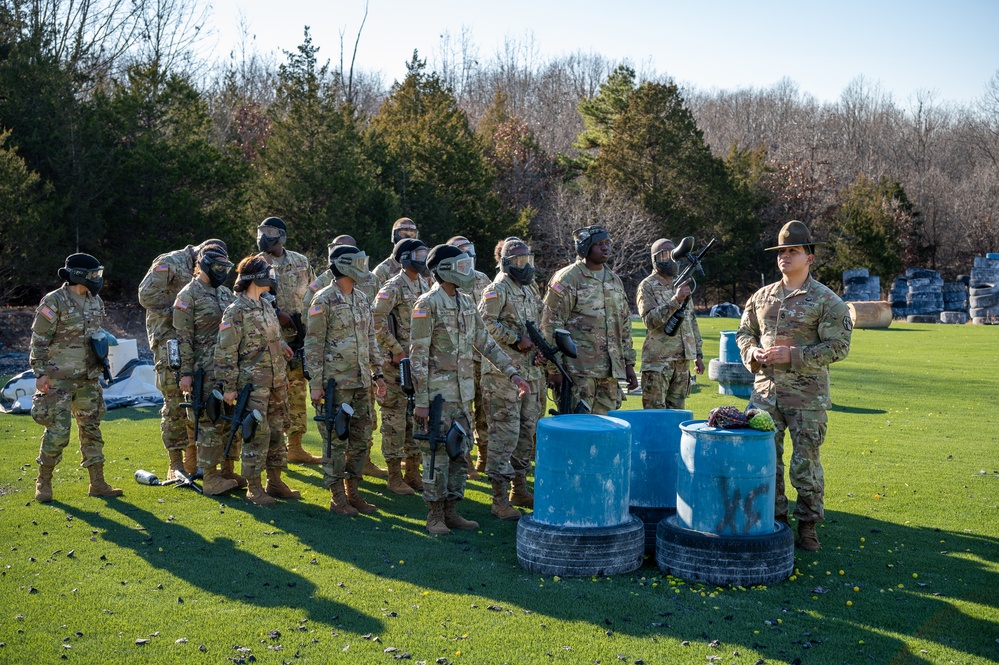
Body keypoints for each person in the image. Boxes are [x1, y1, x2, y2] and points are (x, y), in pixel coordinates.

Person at [736, 221, 852, 552]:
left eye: (793, 251)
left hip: (807, 397)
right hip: (765, 394)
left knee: (805, 464)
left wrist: (795, 355)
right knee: (763, 460)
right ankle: (776, 520)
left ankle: (808, 526)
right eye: (781, 252)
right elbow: (744, 333)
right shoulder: (762, 297)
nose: (785, 257)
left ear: (810, 257)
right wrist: (752, 353)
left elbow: (839, 346)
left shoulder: (826, 301)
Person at [410, 245, 530, 535]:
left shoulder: (466, 302)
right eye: (460, 266)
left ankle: (452, 511)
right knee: (436, 455)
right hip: (438, 397)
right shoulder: (427, 304)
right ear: (444, 270)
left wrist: (513, 374)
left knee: (459, 454)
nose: (467, 271)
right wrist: (422, 401)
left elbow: (486, 344)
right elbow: (417, 356)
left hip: (463, 395)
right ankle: (434, 515)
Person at [31, 253, 123, 501]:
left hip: (88, 378)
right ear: (79, 275)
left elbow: (96, 334)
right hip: (58, 379)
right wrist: (40, 373)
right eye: (93, 274)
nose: (97, 279)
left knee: (92, 430)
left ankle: (98, 483)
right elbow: (39, 340)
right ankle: (44, 481)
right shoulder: (54, 301)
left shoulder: (95, 301)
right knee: (58, 433)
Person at [305, 246, 388, 516]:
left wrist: (378, 374)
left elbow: (370, 339)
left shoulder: (363, 298)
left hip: (362, 381)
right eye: (359, 263)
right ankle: (337, 496)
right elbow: (313, 345)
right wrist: (315, 384)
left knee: (362, 438)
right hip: (335, 384)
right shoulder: (323, 299)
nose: (364, 267)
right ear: (345, 265)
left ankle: (354, 492)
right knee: (334, 441)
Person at [138, 238, 227, 480]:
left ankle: (193, 461)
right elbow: (146, 295)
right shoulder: (170, 262)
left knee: (196, 398)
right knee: (174, 400)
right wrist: (178, 310)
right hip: (169, 341)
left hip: (196, 343)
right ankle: (175, 463)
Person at [215, 256, 298, 506]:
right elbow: (225, 351)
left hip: (275, 381)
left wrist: (282, 346)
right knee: (256, 435)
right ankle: (254, 487)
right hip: (253, 384)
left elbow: (270, 336)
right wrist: (228, 388)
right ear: (254, 277)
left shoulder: (265, 305)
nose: (271, 276)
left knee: (276, 431)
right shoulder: (236, 310)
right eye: (266, 272)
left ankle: (275, 481)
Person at [478, 238, 545, 521]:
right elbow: (484, 323)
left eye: (526, 260)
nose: (523, 266)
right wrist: (517, 340)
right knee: (504, 437)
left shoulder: (530, 289)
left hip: (530, 374)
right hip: (502, 377)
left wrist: (539, 350)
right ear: (505, 263)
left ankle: (519, 488)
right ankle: (499, 499)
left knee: (526, 435)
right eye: (517, 261)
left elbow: (538, 325)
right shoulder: (496, 290)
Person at [541, 225, 637, 414]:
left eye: (607, 243)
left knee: (605, 430)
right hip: (577, 373)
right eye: (599, 244)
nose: (605, 248)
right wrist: (554, 369)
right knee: (578, 430)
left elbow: (624, 325)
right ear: (585, 247)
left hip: (609, 374)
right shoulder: (568, 279)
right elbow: (550, 324)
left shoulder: (614, 280)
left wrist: (628, 364)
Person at [172, 246, 240, 495]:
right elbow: (182, 338)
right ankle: (210, 478)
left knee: (228, 421)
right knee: (208, 423)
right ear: (203, 264)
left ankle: (227, 471)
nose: (222, 272)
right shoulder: (187, 295)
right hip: (202, 371)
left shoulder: (224, 292)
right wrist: (186, 373)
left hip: (226, 369)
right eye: (218, 267)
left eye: (225, 268)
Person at [255, 216, 321, 465]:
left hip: (298, 338)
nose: (264, 236)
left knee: (296, 392)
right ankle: (272, 449)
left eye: (270, 231)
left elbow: (312, 293)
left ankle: (295, 446)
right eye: (261, 231)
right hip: (267, 340)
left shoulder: (300, 261)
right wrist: (276, 314)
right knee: (271, 396)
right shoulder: (256, 264)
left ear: (282, 235)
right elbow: (248, 299)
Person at [371, 238, 431, 495]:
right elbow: (376, 320)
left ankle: (413, 472)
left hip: (417, 364)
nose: (423, 258)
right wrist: (396, 350)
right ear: (406, 257)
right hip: (396, 365)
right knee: (395, 420)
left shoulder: (424, 283)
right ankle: (394, 476)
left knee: (414, 419)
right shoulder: (393, 286)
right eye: (419, 254)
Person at [636, 238, 705, 410]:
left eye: (672, 253)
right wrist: (676, 300)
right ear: (655, 259)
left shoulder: (681, 283)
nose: (670, 258)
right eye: (664, 254)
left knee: (677, 415)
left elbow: (691, 321)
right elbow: (649, 321)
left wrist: (698, 354)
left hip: (682, 362)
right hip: (659, 361)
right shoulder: (647, 285)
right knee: (655, 415)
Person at [446, 235, 492, 478]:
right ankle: (464, 458)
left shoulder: (482, 279)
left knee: (483, 407)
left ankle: (483, 455)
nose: (469, 255)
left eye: (470, 250)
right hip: (457, 359)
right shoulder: (447, 279)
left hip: (481, 356)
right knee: (463, 410)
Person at [373, 218, 419, 287]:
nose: (408, 238)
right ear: (394, 237)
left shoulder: (420, 268)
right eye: (403, 234)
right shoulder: (382, 271)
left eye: (412, 235)